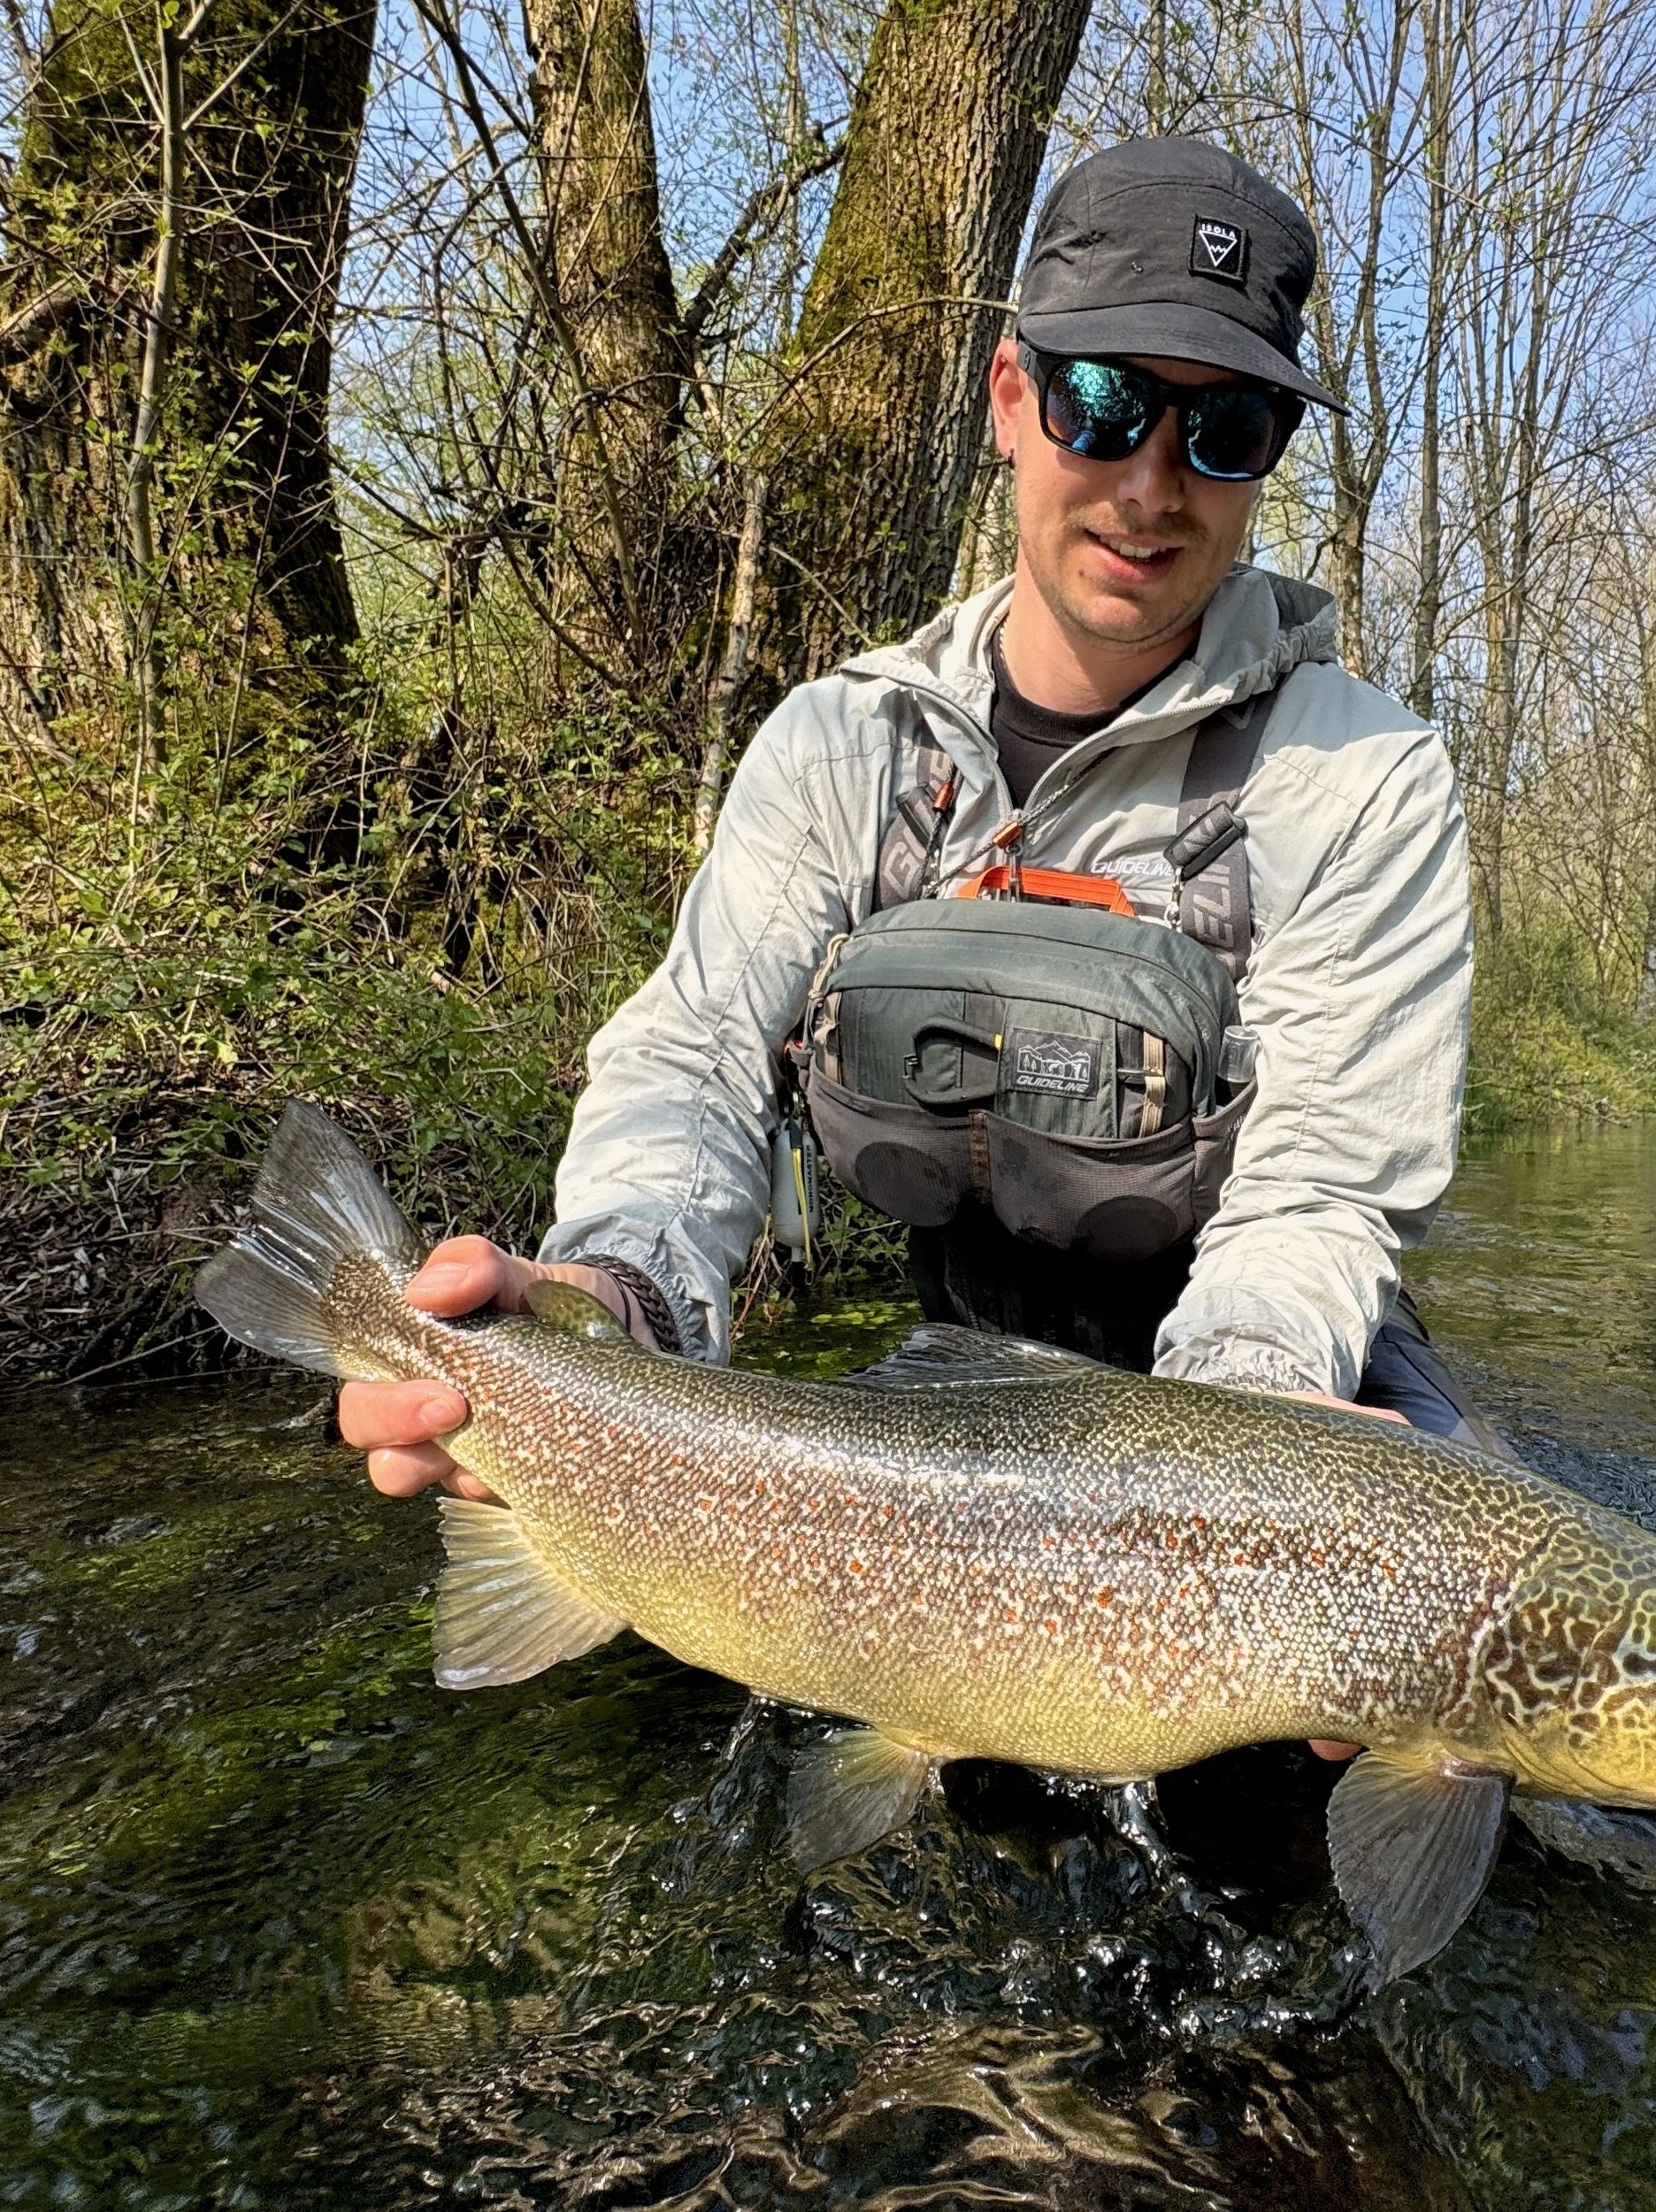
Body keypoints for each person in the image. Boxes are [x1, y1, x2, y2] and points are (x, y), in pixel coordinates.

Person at [340, 138, 1502, 1567]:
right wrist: (610, 1298)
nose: (1151, 483)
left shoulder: (1364, 778)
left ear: (1265, 459)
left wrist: (1240, 1485)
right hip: (957, 1384)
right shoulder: (844, 747)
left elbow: (1316, 1194)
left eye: (1224, 429)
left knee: (1509, 1733)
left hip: (1280, 1383)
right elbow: (695, 1060)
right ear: (1013, 400)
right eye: (1106, 401)